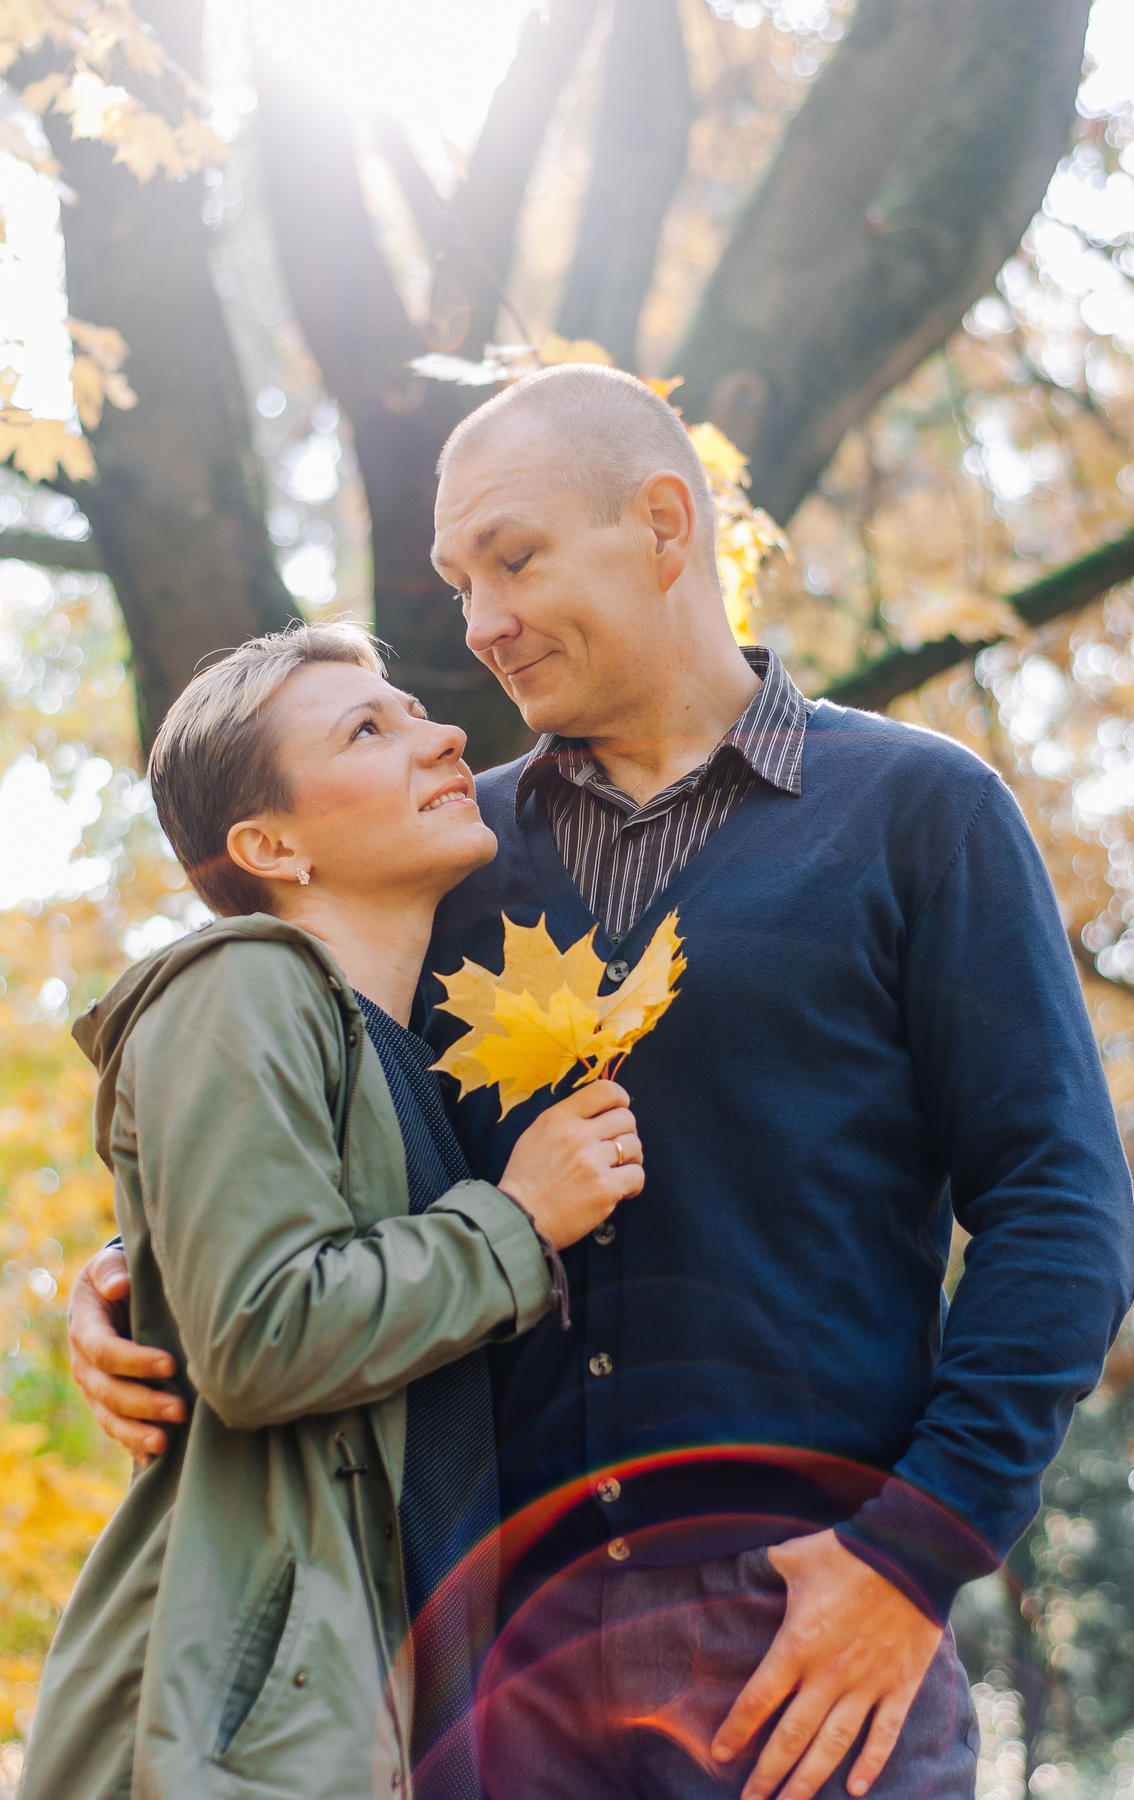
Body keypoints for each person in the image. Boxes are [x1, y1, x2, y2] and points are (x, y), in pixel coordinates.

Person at [68, 367, 1134, 1800]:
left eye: (513, 560)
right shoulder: (442, 857)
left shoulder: (918, 812)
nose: (479, 623)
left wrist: (913, 1552)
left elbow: (1061, 1207)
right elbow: (305, 1134)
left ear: (664, 524)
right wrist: (137, 1273)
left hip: (808, 1648)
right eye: (459, 583)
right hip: (493, 1675)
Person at [19, 620, 646, 1800]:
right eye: (367, 730)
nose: (443, 735)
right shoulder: (241, 983)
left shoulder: (408, 1059)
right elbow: (258, 1333)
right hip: (230, 1746)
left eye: (414, 712)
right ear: (270, 844)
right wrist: (518, 1222)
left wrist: (125, 1263)